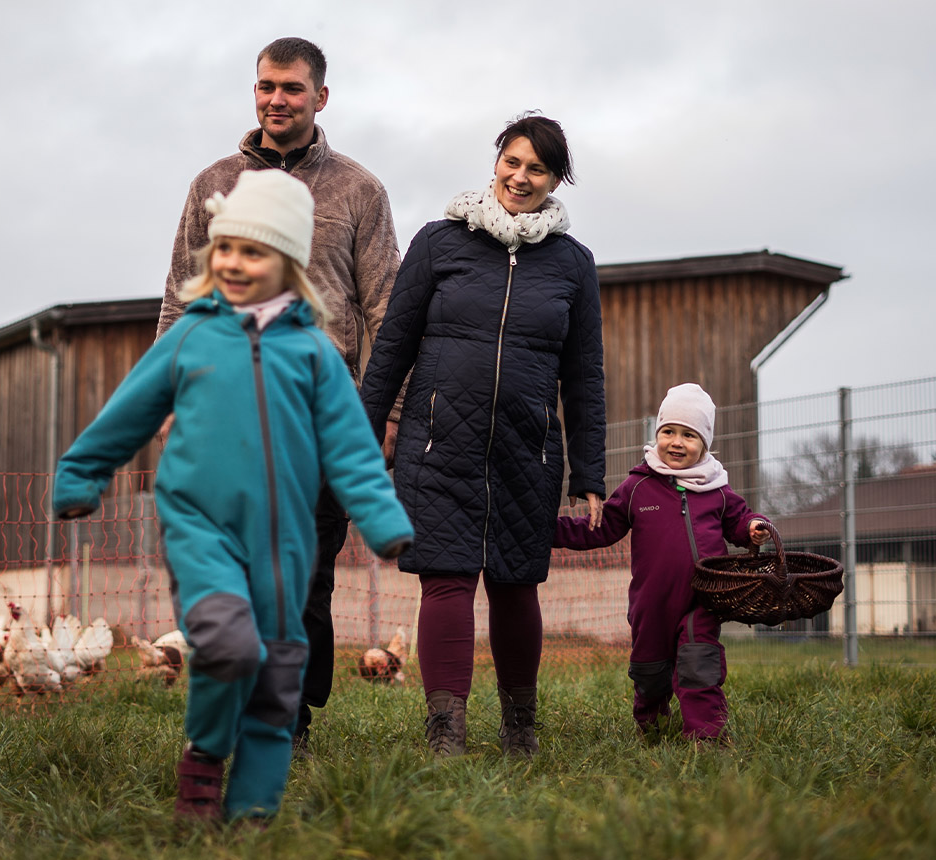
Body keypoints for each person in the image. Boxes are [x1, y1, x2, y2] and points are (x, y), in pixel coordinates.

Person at [55, 170, 412, 823]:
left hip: (285, 539)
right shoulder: (193, 336)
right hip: (202, 526)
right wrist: (80, 474)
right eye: (225, 247)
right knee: (228, 646)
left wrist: (381, 516)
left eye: (253, 251)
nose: (233, 263)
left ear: (289, 265)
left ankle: (252, 814)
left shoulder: (314, 353)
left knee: (278, 673)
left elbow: (350, 448)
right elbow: (128, 413)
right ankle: (204, 760)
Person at [156, 37, 403, 754]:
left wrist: (385, 412)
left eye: (292, 88)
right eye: (266, 86)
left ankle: (289, 719)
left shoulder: (359, 191)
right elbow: (180, 299)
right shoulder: (214, 185)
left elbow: (385, 310)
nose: (276, 99)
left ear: (320, 97)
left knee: (305, 578)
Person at [360, 113, 607, 757]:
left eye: (537, 169)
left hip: (528, 448)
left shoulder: (573, 264)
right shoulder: (440, 242)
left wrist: (589, 473)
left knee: (516, 582)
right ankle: (446, 728)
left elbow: (584, 375)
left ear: (555, 180)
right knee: (445, 578)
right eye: (512, 162)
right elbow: (392, 347)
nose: (520, 178)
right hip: (439, 441)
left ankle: (519, 726)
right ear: (496, 161)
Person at [554, 383, 771, 742]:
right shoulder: (638, 486)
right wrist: (550, 530)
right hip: (651, 604)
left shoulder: (716, 488)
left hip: (703, 600)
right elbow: (601, 528)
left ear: (705, 443)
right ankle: (652, 725)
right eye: (668, 431)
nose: (676, 442)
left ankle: (706, 735)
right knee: (649, 672)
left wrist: (754, 528)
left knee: (699, 664)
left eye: (689, 435)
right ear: (657, 435)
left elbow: (739, 520)